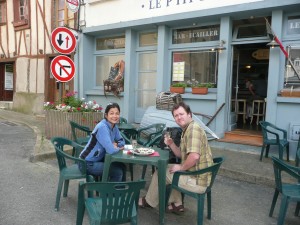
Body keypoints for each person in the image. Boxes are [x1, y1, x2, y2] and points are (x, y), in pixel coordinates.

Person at [138, 102, 213, 213]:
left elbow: (194, 156)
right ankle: (177, 204)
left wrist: (182, 167)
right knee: (167, 167)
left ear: (189, 114)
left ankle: (149, 201)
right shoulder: (187, 129)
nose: (179, 117)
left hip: (198, 181)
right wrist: (171, 143)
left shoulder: (193, 130)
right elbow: (181, 155)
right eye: (176, 115)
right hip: (196, 173)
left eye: (181, 114)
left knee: (161, 173)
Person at [79, 102, 126, 182]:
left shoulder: (114, 126)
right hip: (87, 163)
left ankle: (119, 192)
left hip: (98, 159)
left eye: (117, 113)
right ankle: (109, 193)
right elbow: (110, 150)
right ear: (106, 115)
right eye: (111, 113)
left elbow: (122, 141)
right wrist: (119, 148)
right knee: (117, 172)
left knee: (122, 166)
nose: (115, 116)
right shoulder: (102, 127)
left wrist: (117, 144)